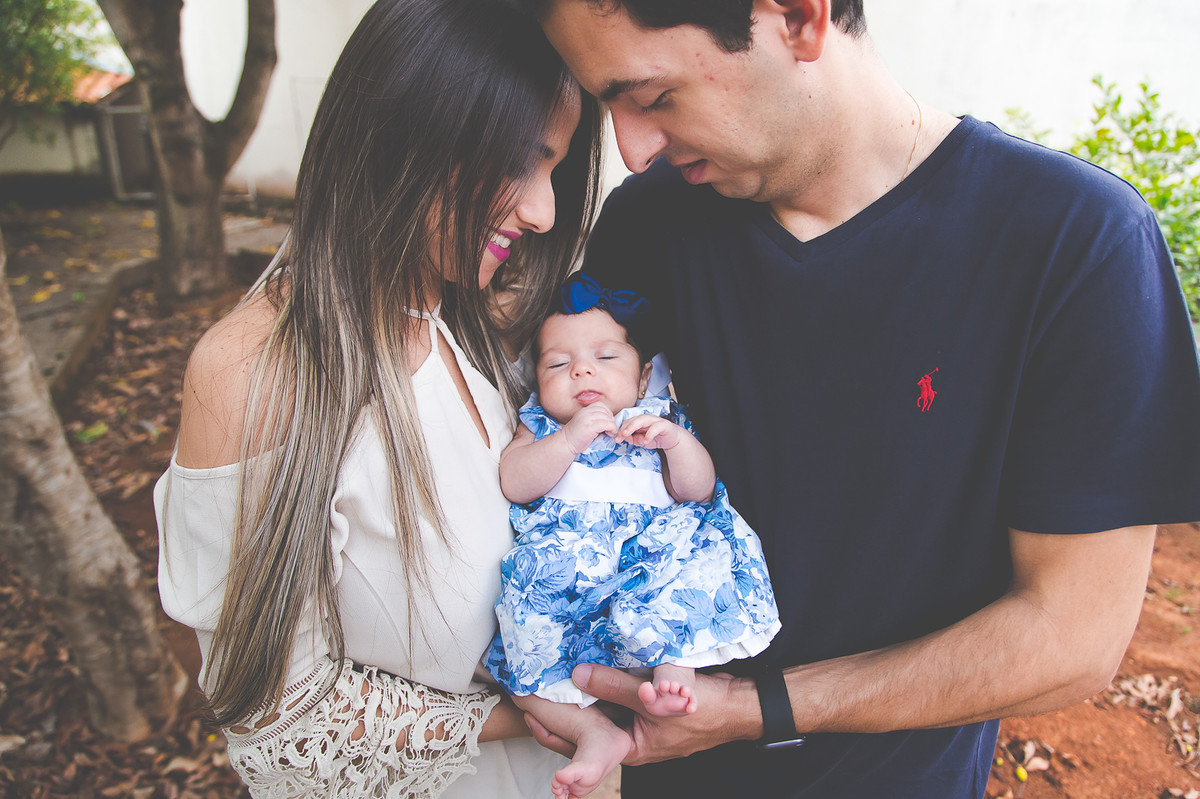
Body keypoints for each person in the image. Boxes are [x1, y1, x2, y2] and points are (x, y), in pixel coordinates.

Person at [500, 1, 1200, 797]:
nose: (633, 148)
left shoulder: (1076, 242)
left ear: (800, 18)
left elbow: (1072, 634)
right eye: (611, 109)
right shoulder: (652, 219)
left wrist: (757, 709)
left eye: (654, 98)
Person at [152, 0, 605, 796]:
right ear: (407, 124)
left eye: (554, 172)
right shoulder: (260, 372)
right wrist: (538, 715)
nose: (543, 211)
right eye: (518, 161)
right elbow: (278, 725)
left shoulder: (463, 318)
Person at [483, 274, 781, 797]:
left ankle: (674, 669)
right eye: (558, 364)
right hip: (567, 572)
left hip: (650, 555)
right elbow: (514, 480)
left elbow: (696, 491)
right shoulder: (540, 424)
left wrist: (676, 444)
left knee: (685, 576)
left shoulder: (659, 417)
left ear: (644, 378)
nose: (581, 370)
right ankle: (592, 732)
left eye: (605, 357)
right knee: (522, 654)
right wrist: (569, 439)